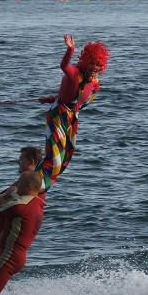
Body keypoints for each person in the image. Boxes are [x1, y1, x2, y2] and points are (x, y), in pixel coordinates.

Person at [36, 33, 109, 192]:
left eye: (97, 64)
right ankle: (37, 184)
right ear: (85, 60)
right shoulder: (74, 73)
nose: (94, 67)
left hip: (71, 119)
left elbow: (71, 97)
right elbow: (64, 67)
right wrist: (71, 49)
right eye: (91, 63)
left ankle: (38, 180)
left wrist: (49, 98)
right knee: (55, 157)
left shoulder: (95, 84)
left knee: (66, 157)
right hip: (58, 115)